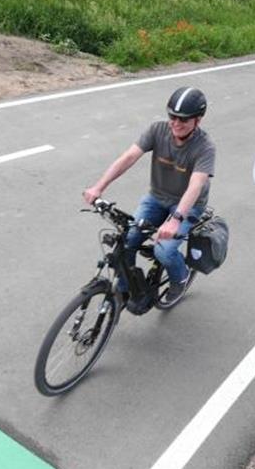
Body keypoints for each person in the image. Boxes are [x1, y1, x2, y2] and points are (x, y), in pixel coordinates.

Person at [82, 86, 216, 305]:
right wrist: (99, 187)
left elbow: (196, 185)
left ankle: (179, 278)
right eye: (172, 116)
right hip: (157, 197)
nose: (175, 123)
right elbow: (129, 157)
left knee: (164, 252)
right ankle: (126, 293)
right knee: (126, 242)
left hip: (188, 206)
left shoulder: (205, 147)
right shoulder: (157, 130)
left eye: (183, 119)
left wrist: (176, 220)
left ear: (198, 120)